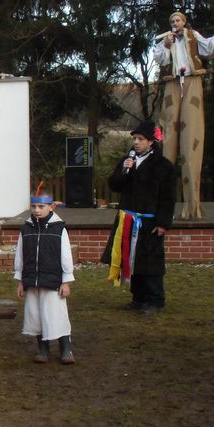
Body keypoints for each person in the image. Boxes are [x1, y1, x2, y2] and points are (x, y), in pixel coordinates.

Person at [101, 120, 176, 316]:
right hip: (128, 219)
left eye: (140, 139)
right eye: (134, 138)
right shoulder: (128, 160)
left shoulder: (163, 166)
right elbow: (114, 185)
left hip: (149, 221)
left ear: (151, 141)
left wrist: (162, 223)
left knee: (150, 262)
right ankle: (138, 298)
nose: (136, 142)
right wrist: (125, 171)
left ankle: (155, 300)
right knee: (131, 259)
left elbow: (168, 197)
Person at [153, 11, 214, 220]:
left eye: (177, 20)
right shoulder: (165, 41)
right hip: (172, 85)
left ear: (184, 22)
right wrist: (167, 45)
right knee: (168, 140)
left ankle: (192, 206)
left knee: (191, 142)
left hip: (191, 82)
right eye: (172, 21)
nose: (175, 23)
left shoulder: (193, 35)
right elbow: (160, 59)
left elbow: (208, 49)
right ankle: (164, 207)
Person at [14, 187, 75, 364]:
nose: (36, 210)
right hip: (32, 281)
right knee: (36, 315)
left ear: (51, 207)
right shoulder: (26, 229)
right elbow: (20, 255)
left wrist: (66, 281)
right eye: (33, 206)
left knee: (56, 314)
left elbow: (65, 255)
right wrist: (21, 280)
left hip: (53, 281)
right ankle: (42, 349)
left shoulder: (59, 229)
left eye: (41, 206)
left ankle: (66, 349)